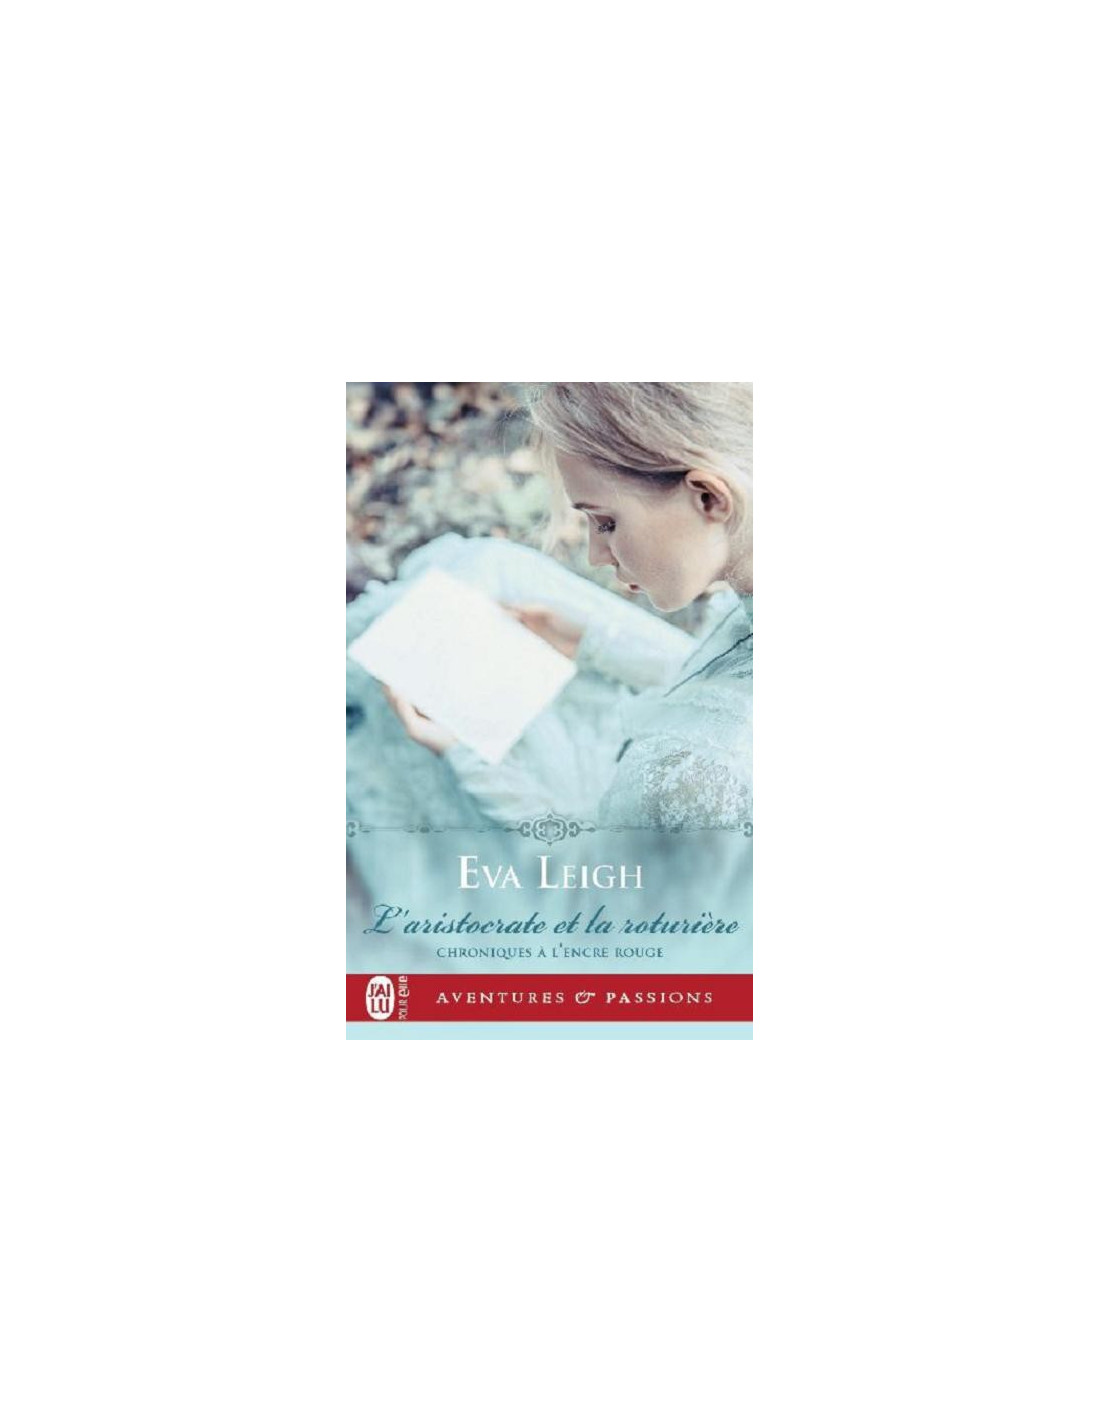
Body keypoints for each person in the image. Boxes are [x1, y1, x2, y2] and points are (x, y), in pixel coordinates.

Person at [347, 382, 752, 836]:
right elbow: (710, 673)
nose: (596, 554)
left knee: (407, 698)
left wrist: (462, 756)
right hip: (658, 716)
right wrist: (588, 640)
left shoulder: (698, 778)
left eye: (607, 523)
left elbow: (589, 867)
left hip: (593, 814)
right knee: (486, 569)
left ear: (709, 497)